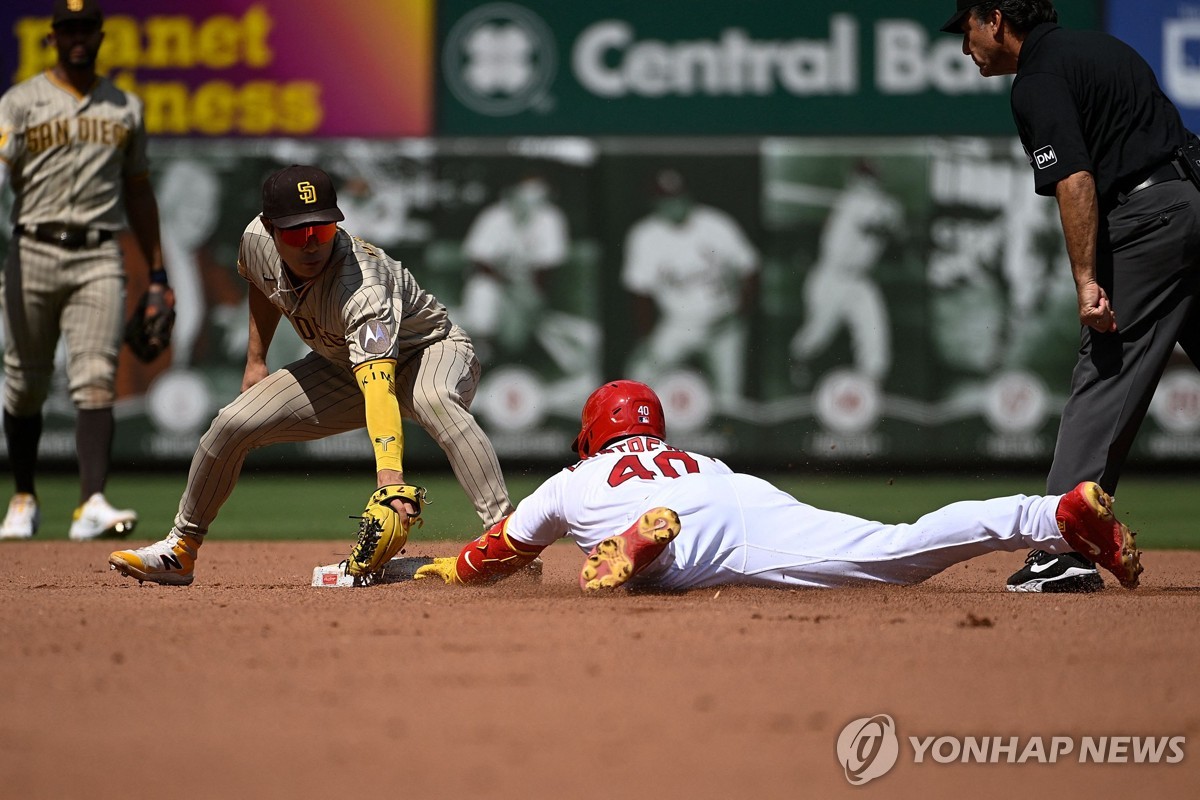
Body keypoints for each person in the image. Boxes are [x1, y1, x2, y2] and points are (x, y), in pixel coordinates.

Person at [107, 164, 514, 585]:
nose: (310, 243)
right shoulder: (255, 241)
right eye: (296, 232)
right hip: (345, 365)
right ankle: (181, 549)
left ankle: (510, 542)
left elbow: (379, 389)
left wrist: (390, 479)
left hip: (432, 350)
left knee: (433, 399)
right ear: (270, 228)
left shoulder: (363, 287)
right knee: (231, 424)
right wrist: (256, 360)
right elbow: (263, 285)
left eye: (320, 230)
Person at [412, 380, 1142, 593]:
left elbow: (496, 554)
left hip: (659, 523)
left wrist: (447, 568)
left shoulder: (570, 479)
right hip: (739, 497)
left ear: (591, 435)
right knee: (899, 547)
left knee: (637, 573)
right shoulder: (691, 455)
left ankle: (643, 553)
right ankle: (1056, 510)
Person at [941, 0, 1200, 592]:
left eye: (968, 30)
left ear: (997, 18)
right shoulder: (1105, 50)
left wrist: (1087, 280)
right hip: (1192, 200)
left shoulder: (1038, 79)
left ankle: (1063, 548)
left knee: (1107, 368)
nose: (965, 47)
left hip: (1149, 220)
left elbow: (1075, 178)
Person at [0, 0, 174, 541]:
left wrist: (159, 275)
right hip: (32, 247)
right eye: (68, 28)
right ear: (53, 37)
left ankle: (91, 501)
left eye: (87, 28)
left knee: (96, 376)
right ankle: (24, 496)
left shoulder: (125, 107)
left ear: (100, 36)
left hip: (99, 254)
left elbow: (139, 191)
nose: (78, 36)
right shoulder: (20, 102)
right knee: (25, 383)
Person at [621, 170, 759, 411]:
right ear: (655, 203)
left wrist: (740, 312)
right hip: (680, 323)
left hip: (724, 324)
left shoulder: (716, 224)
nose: (673, 205)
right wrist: (646, 338)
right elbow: (639, 292)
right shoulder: (644, 236)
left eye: (678, 198)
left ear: (688, 197)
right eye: (666, 200)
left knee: (730, 400)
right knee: (638, 377)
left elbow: (751, 268)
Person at [790, 161, 903, 385]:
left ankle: (871, 383)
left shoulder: (878, 204)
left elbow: (895, 232)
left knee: (874, 333)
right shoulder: (852, 202)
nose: (864, 183)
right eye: (860, 178)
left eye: (869, 178)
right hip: (832, 277)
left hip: (860, 280)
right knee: (817, 335)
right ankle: (797, 361)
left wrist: (892, 215)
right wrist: (890, 216)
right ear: (853, 180)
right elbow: (874, 226)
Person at [459, 175, 569, 361]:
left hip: (529, 290)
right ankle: (481, 344)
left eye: (538, 195)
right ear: (510, 194)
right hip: (497, 286)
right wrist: (509, 286)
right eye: (525, 192)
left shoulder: (550, 218)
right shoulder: (493, 216)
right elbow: (478, 262)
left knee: (516, 342)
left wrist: (534, 299)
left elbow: (549, 268)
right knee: (481, 289)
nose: (530, 200)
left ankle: (526, 354)